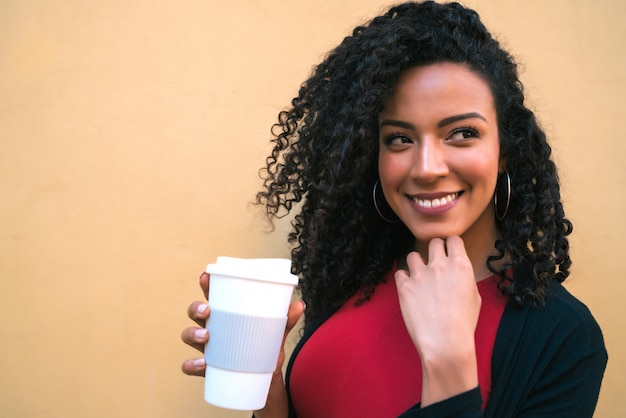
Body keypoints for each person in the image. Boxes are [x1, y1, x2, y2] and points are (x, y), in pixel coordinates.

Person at [181, 1, 607, 417]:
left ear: (505, 152)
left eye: (461, 133)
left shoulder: (563, 335)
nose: (426, 168)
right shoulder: (355, 277)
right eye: (400, 139)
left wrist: (449, 364)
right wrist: (267, 387)